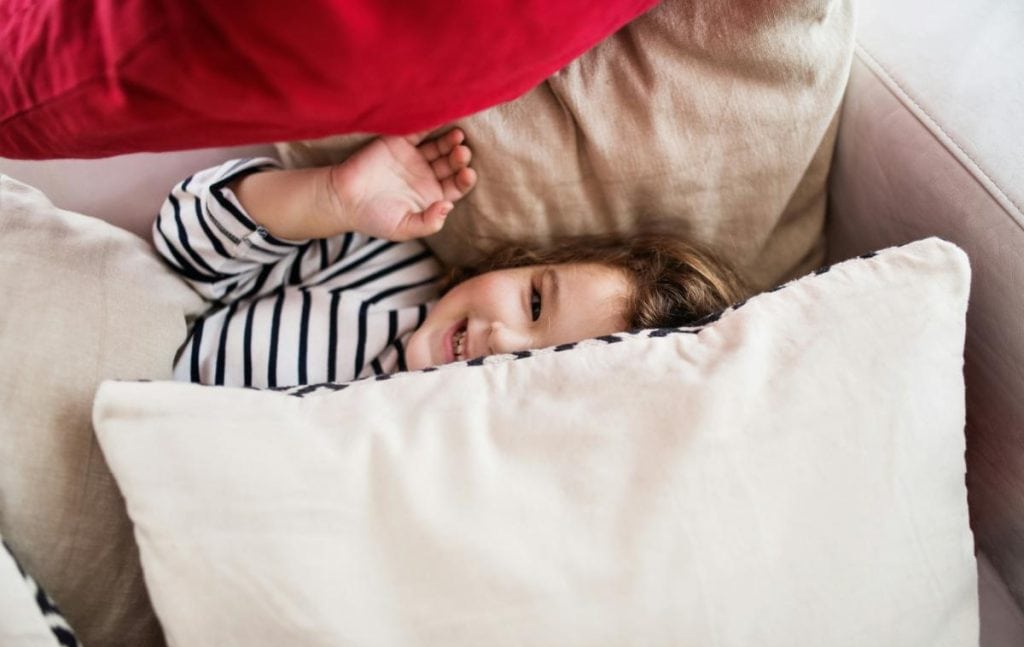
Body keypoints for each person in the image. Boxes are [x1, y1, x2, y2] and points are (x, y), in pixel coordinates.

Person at [154, 129, 746, 388]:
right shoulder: (384, 265)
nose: (507, 342)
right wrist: (329, 198)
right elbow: (179, 244)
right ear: (518, 262)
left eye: (550, 365)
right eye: (534, 303)